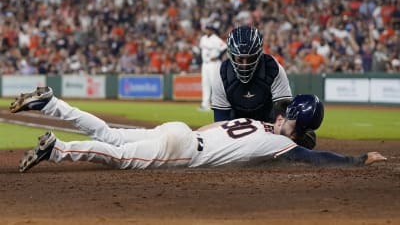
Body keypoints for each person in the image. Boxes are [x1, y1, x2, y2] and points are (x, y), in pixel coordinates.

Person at [10, 87, 386, 173]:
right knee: (121, 157)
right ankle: (57, 149)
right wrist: (357, 159)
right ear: (303, 128)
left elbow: (213, 126)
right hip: (186, 150)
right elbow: (314, 158)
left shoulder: (256, 122)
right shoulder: (279, 143)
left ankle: (53, 105)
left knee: (111, 135)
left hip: (184, 132)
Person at [211, 25, 317, 149]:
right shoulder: (221, 74)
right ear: (231, 55)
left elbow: (283, 111)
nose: (245, 65)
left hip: (268, 125)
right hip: (236, 128)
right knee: (216, 141)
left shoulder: (273, 68)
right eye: (240, 59)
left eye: (250, 58)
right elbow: (220, 121)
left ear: (259, 54)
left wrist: (279, 133)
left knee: (307, 138)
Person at [198, 24, 227, 111]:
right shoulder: (203, 39)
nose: (207, 30)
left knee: (214, 84)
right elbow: (202, 50)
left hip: (214, 64)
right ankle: (205, 104)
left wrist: (218, 57)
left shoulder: (216, 39)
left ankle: (216, 104)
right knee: (205, 84)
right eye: (206, 29)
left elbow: (225, 47)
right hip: (205, 64)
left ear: (212, 30)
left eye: (209, 29)